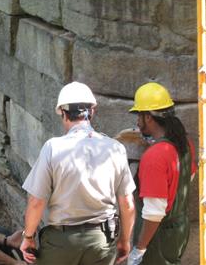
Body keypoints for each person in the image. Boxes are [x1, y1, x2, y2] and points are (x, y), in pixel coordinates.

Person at [20, 81, 136, 265]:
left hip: (61, 243)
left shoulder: (53, 148)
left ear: (64, 114)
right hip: (102, 242)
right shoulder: (116, 149)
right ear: (92, 112)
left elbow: (36, 202)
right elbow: (128, 204)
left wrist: (28, 237)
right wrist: (124, 241)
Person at [127, 82, 197, 265]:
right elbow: (186, 178)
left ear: (148, 117)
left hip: (158, 237)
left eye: (139, 116)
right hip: (179, 231)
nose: (137, 122)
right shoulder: (185, 144)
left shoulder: (154, 157)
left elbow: (154, 213)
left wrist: (139, 249)